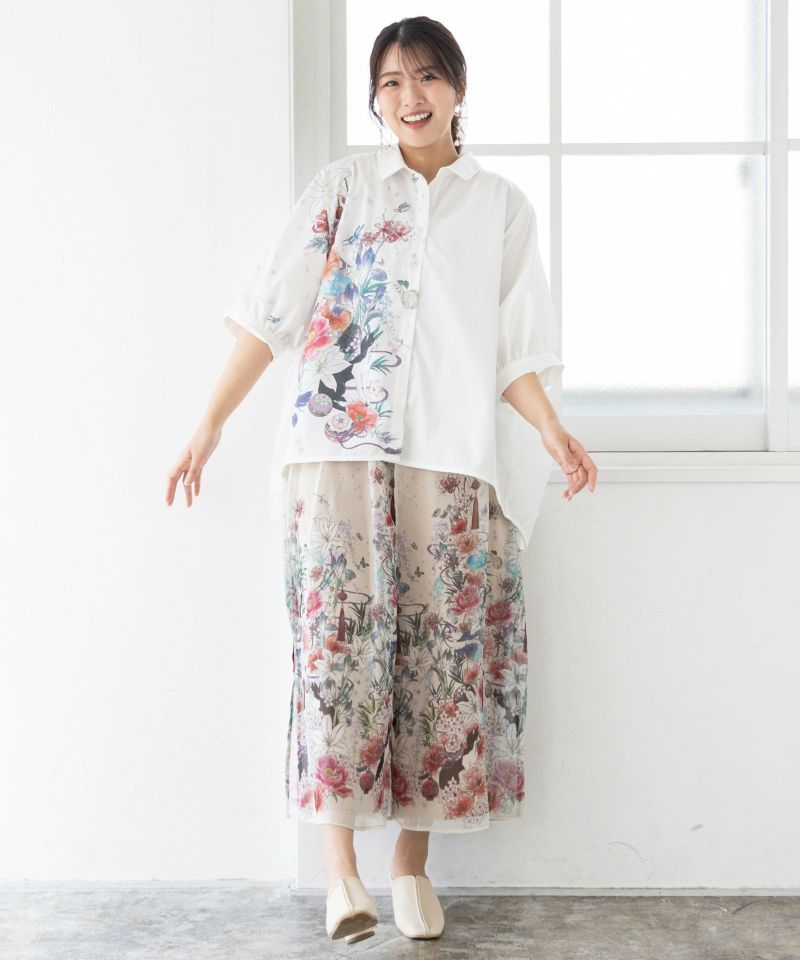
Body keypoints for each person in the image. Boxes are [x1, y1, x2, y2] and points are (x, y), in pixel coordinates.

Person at [166, 15, 597, 945]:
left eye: (428, 77)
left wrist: (554, 431)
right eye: (393, 82)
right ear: (375, 98)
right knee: (337, 653)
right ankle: (340, 875)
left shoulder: (502, 208)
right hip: (338, 456)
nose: (411, 97)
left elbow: (517, 350)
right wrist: (210, 422)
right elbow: (271, 312)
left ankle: (409, 866)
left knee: (440, 667)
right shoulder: (344, 189)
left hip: (452, 460)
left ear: (459, 90)